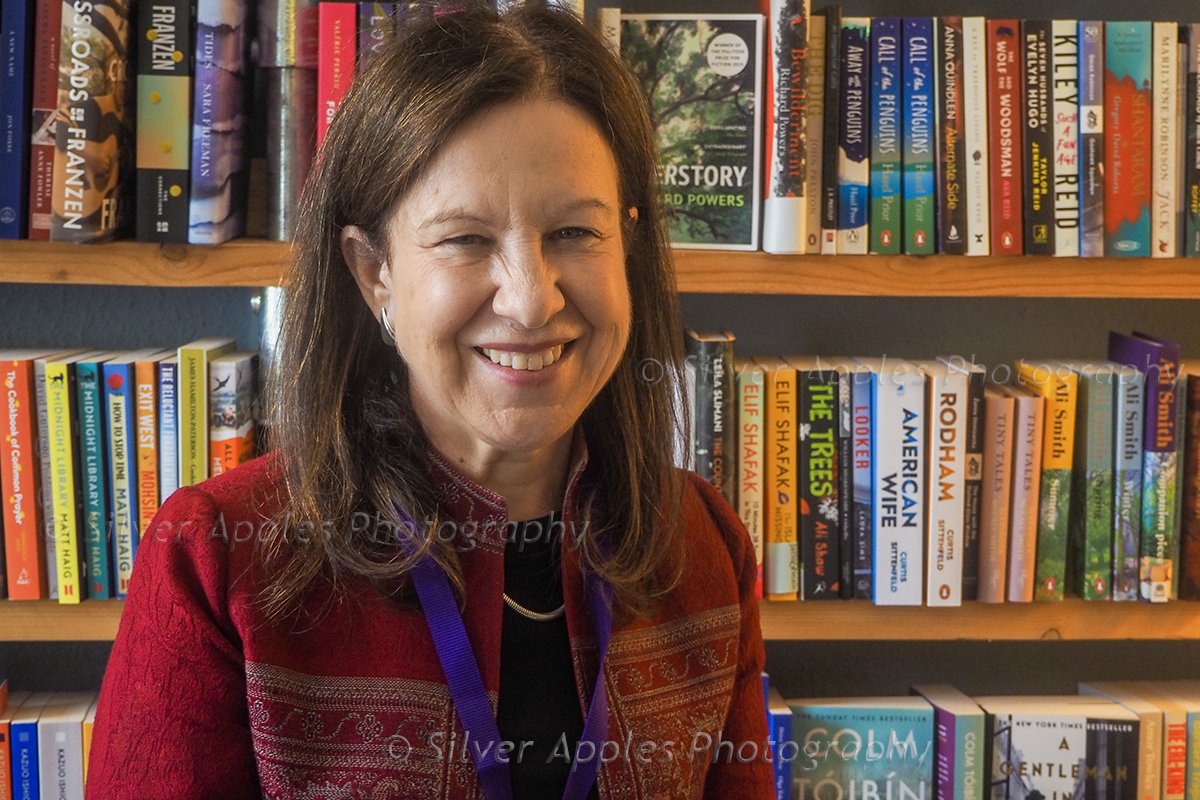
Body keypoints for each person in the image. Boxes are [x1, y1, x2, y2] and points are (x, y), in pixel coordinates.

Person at [85, 5, 771, 799]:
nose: (531, 300)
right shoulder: (216, 560)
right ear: (374, 271)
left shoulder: (703, 547)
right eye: (466, 239)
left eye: (576, 234)